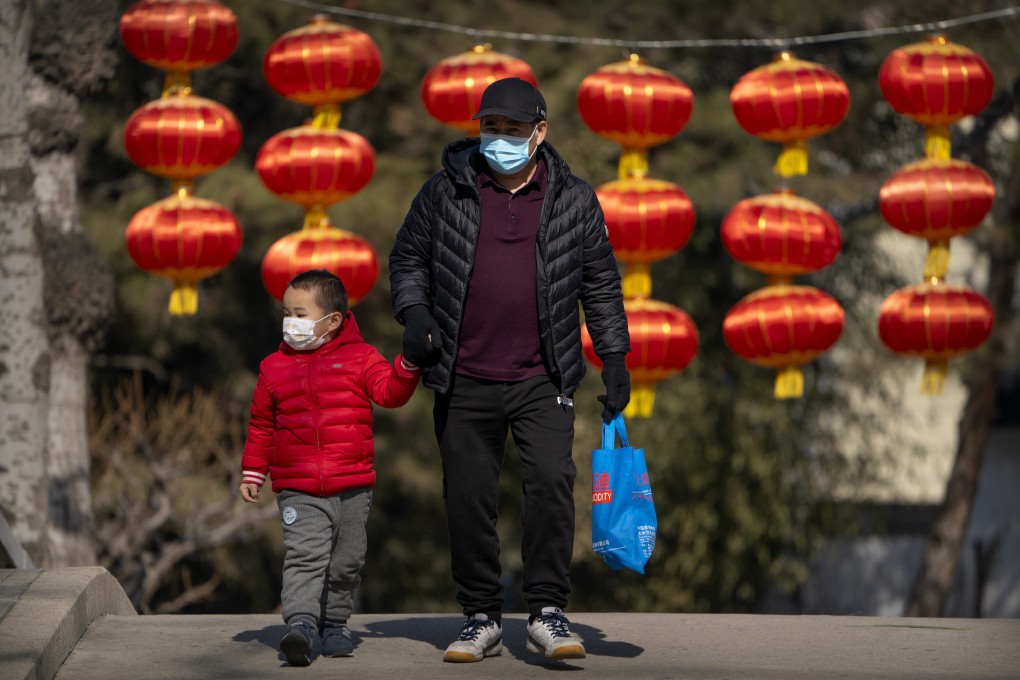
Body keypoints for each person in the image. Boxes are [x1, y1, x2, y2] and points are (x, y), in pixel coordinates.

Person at [389, 77, 631, 663]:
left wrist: (615, 356)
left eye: (512, 129)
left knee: (551, 484)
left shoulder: (574, 198)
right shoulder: (445, 191)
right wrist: (415, 309)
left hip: (542, 376)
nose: (498, 138)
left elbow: (600, 284)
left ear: (539, 133)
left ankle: (546, 611)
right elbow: (408, 259)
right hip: (462, 373)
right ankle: (480, 616)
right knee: (468, 497)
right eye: (489, 127)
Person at [239, 269, 420, 667]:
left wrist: (408, 365)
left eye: (300, 313)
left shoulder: (360, 358)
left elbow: (390, 393)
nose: (291, 322)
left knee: (347, 562)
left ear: (333, 319)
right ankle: (301, 626)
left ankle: (335, 624)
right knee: (305, 556)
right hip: (297, 487)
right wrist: (254, 471)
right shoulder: (273, 367)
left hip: (352, 485)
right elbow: (261, 425)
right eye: (286, 312)